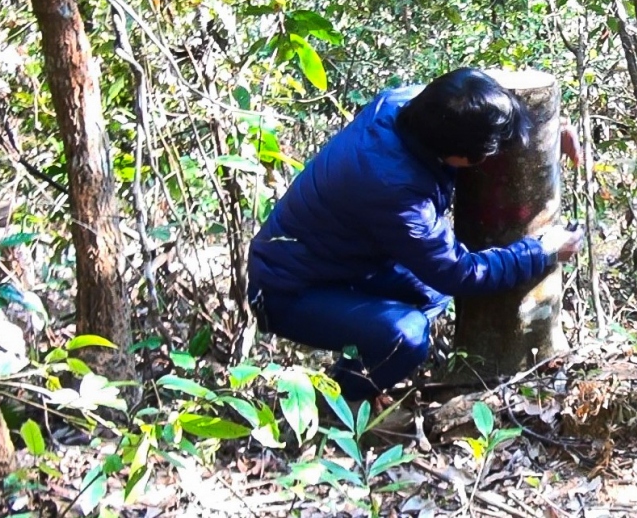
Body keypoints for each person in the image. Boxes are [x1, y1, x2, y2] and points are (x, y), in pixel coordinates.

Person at [247, 68, 584, 403]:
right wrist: (541, 251)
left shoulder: (414, 105)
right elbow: (460, 273)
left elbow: (477, 104)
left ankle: (369, 363)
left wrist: (551, 132)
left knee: (431, 294)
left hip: (342, 260)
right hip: (285, 288)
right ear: (459, 156)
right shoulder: (395, 190)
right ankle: (342, 398)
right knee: (406, 336)